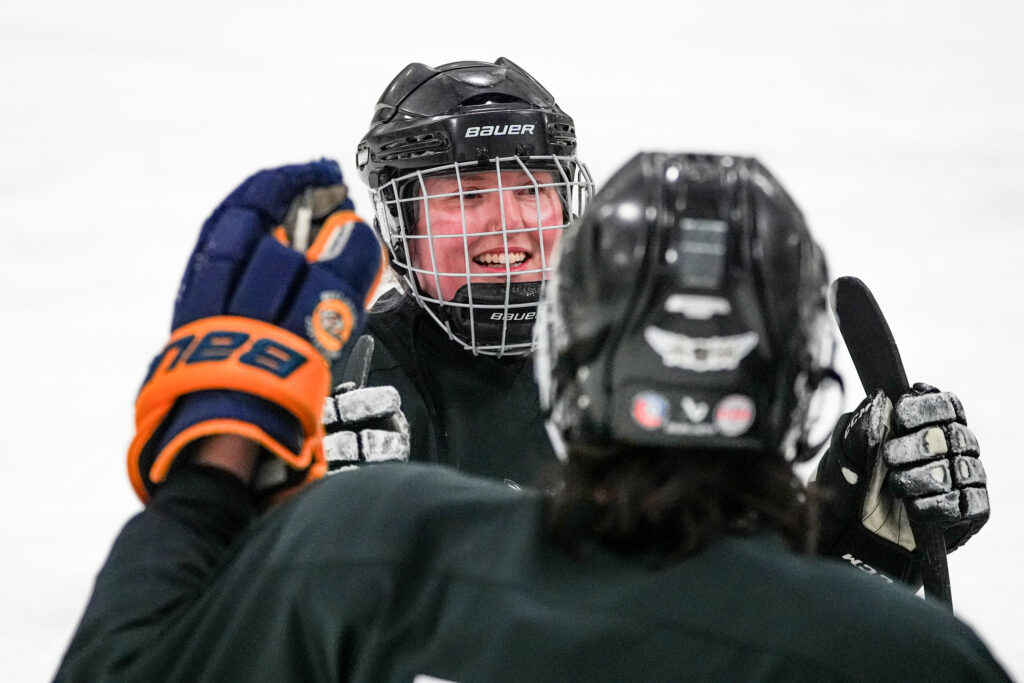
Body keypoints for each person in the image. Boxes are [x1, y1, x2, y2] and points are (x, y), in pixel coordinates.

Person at [56, 153, 1007, 681]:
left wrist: (216, 472)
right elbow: (734, 625)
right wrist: (859, 563)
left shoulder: (362, 553)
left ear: (560, 365)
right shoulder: (920, 660)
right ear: (806, 398)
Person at [314, 57, 988, 587]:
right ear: (400, 225)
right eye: (467, 196)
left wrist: (861, 526)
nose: (510, 225)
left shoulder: (647, 342)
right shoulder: (345, 386)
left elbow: (726, 595)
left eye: (528, 190)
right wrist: (304, 532)